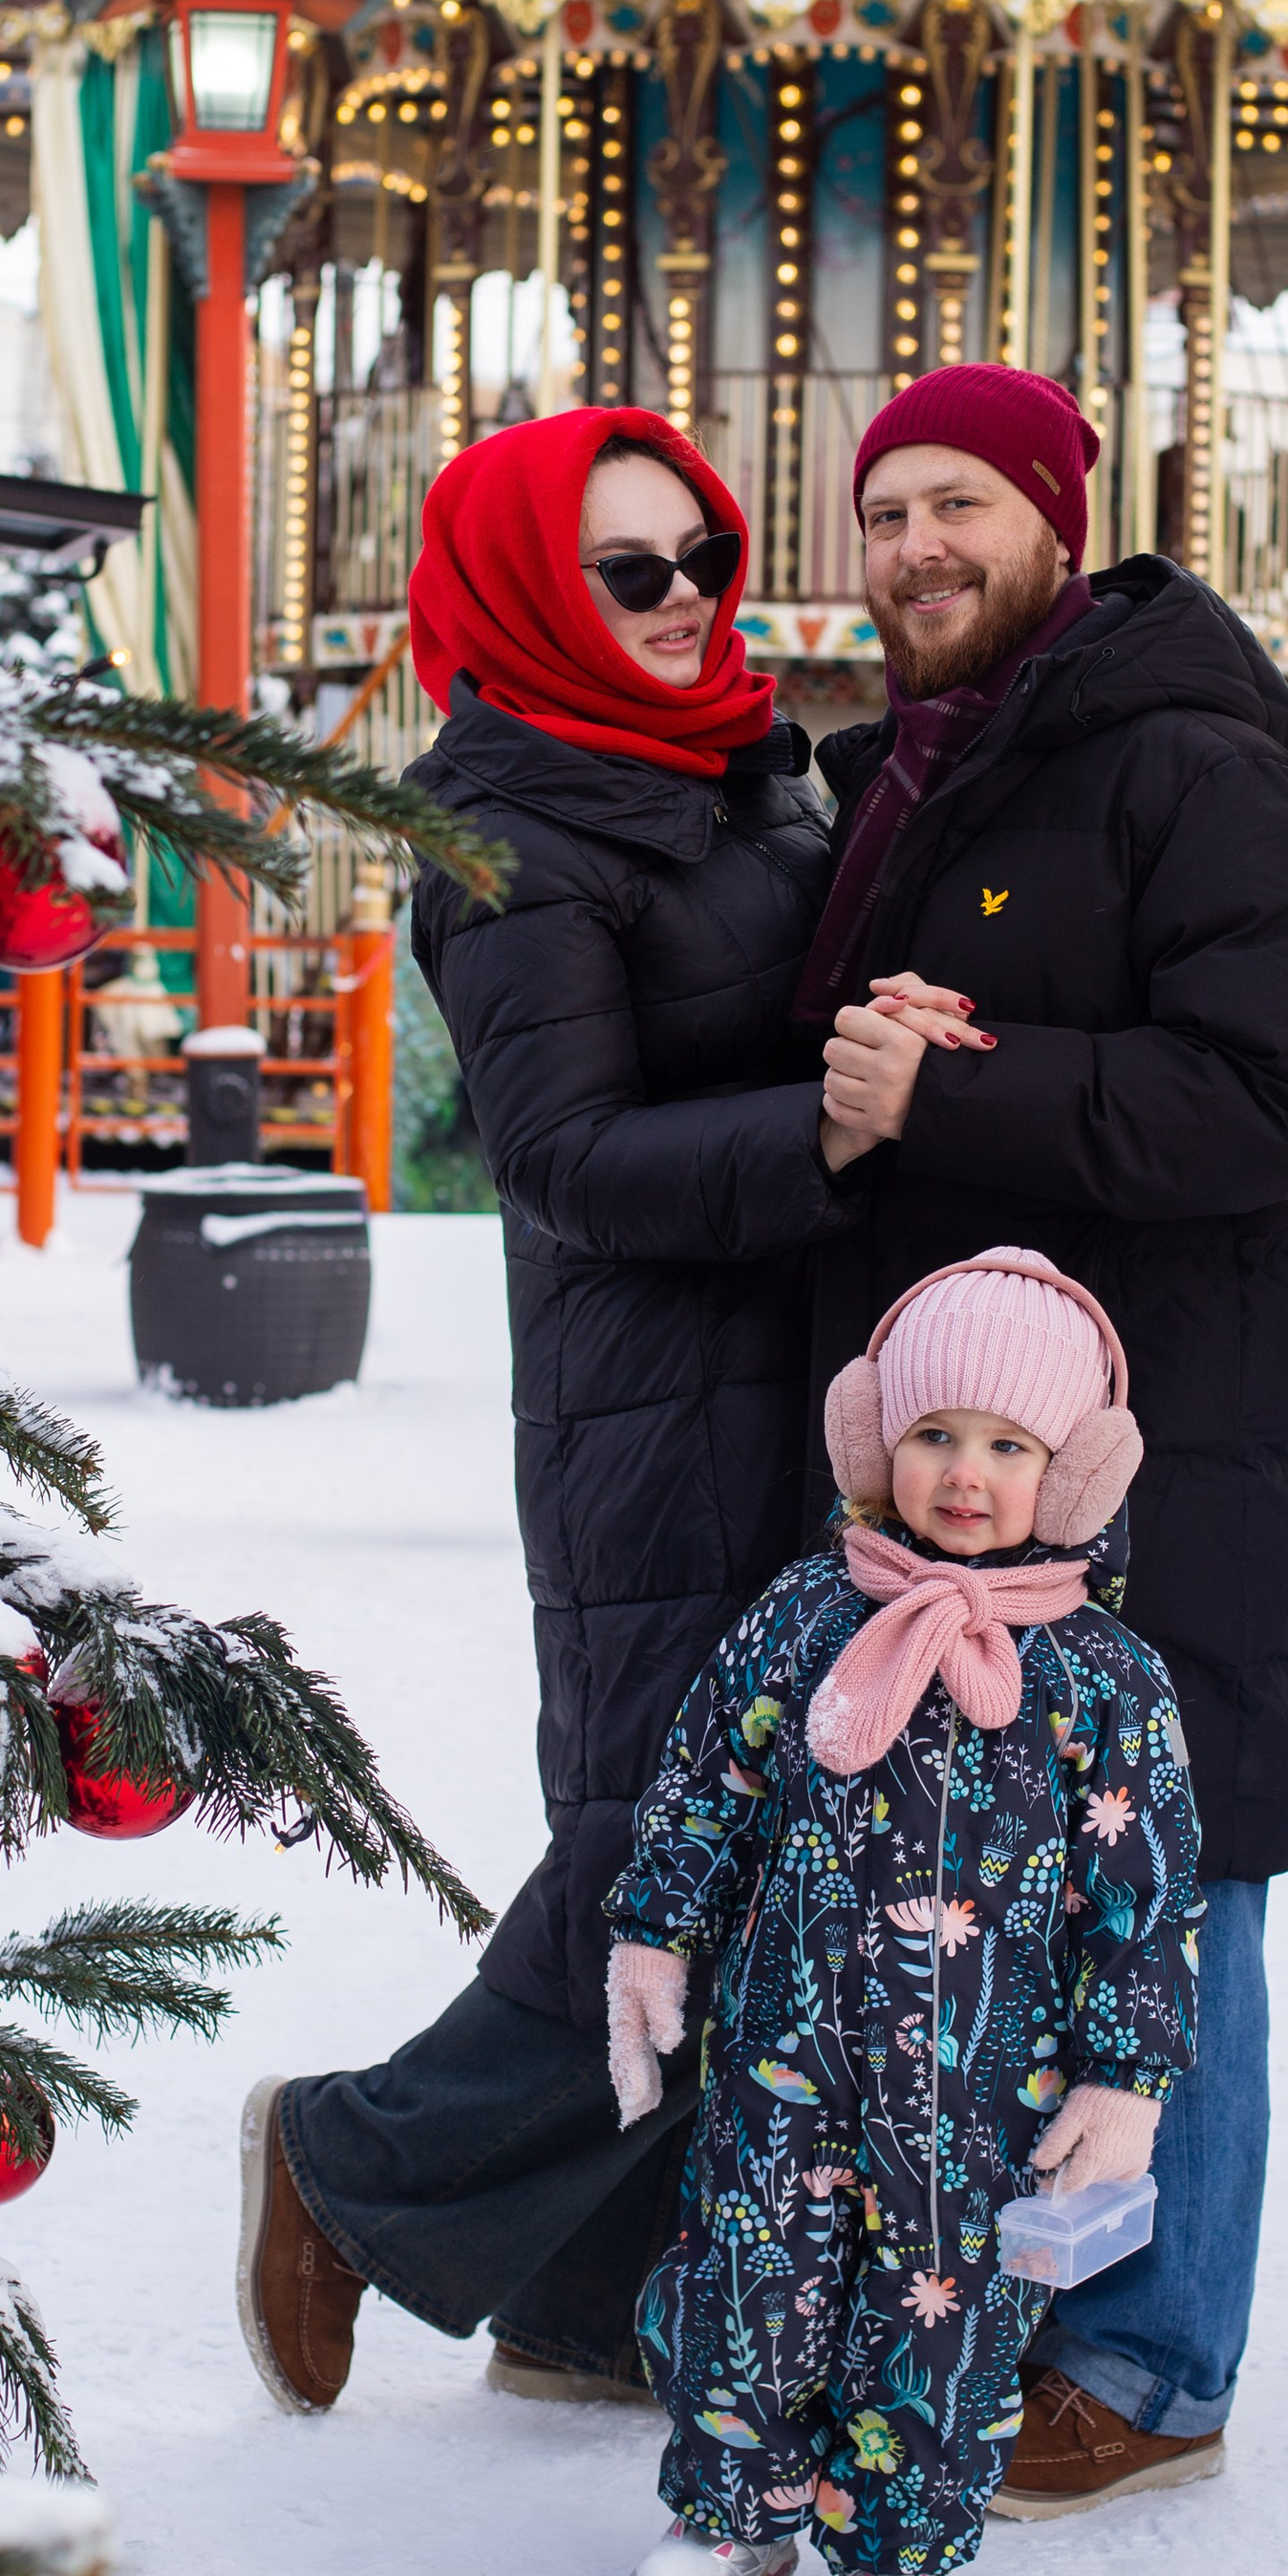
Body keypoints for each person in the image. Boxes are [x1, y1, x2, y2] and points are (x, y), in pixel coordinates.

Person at [236, 404, 858, 2415]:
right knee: (657, 1846)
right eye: (628, 572)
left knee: (743, 1829)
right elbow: (567, 1154)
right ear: (523, 591)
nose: (682, 603)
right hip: (652, 1402)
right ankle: (354, 2162)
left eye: (701, 556)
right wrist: (836, 1126)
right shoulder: (502, 837)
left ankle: (587, 2297)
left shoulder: (745, 770)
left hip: (810, 1382)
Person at [799, 362, 1288, 2521]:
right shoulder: (943, 778)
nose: (915, 549)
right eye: (880, 514)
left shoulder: (1189, 774)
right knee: (1021, 1890)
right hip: (989, 1457)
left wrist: (949, 1090)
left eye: (957, 504)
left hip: (1178, 1442)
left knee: (1172, 1885)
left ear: (1054, 518)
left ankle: (1148, 2354)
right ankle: (1035, 2306)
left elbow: (1270, 1100)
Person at [602, 1247, 1198, 2576]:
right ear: (876, 1441)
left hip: (989, 2081)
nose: (963, 1472)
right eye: (933, 1434)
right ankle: (732, 2510)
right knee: (755, 2275)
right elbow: (704, 1786)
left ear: (1072, 1472)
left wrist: (1127, 2081)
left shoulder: (1104, 1679)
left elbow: (1149, 1892)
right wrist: (652, 1932)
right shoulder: (806, 1616)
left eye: (1008, 1445)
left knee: (944, 2307)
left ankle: (901, 2546)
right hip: (785, 2056)